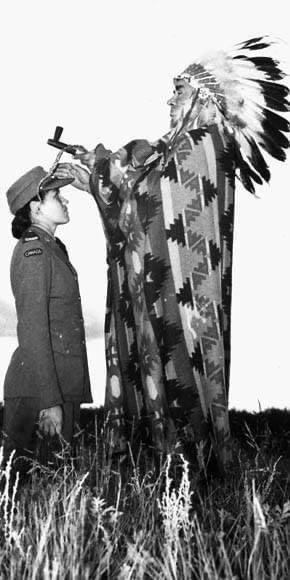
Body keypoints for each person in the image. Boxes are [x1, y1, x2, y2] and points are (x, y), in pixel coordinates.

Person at [56, 37, 289, 474]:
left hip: (187, 302)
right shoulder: (181, 146)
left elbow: (151, 190)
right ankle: (169, 473)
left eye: (179, 90)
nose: (170, 99)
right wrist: (95, 174)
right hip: (166, 290)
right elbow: (138, 182)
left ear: (203, 97)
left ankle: (189, 475)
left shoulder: (204, 144)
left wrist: (101, 169)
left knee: (184, 374)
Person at [3, 166, 92, 475]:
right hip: (39, 391)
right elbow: (32, 329)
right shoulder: (35, 251)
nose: (65, 200)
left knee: (51, 492)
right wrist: (49, 400)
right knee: (20, 493)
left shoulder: (51, 249)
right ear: (35, 206)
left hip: (58, 384)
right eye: (57, 195)